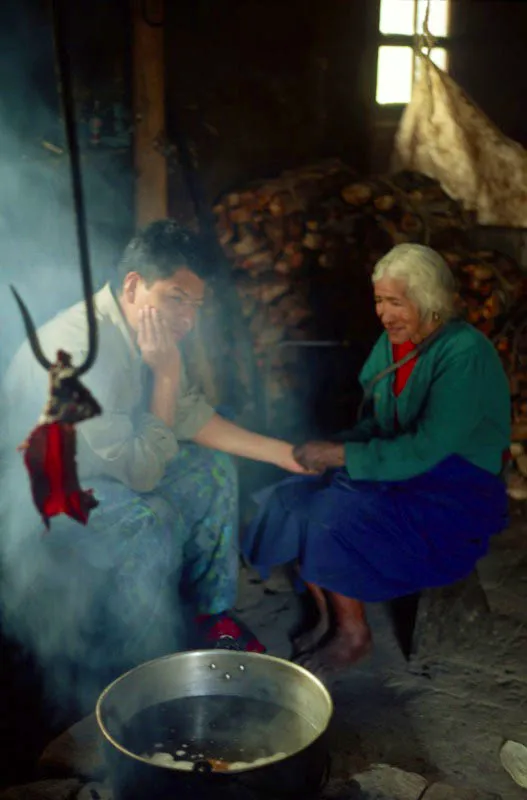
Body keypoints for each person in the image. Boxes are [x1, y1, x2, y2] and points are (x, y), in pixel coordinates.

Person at [0, 219, 304, 700]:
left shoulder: (140, 329)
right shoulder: (79, 353)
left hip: (112, 469)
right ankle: (140, 671)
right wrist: (165, 375)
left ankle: (210, 617)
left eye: (195, 305)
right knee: (151, 518)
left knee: (211, 470)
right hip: (43, 499)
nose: (187, 318)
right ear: (134, 285)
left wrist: (288, 455)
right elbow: (143, 477)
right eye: (176, 298)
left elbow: (185, 416)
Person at [243, 243, 511, 676]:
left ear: (427, 300)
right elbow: (377, 424)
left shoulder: (464, 353)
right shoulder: (392, 346)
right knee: (293, 495)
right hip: (402, 468)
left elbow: (425, 446)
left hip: (456, 487)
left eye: (396, 302)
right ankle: (330, 618)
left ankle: (354, 632)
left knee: (332, 511)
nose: (385, 314)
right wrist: (331, 449)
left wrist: (343, 455)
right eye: (380, 302)